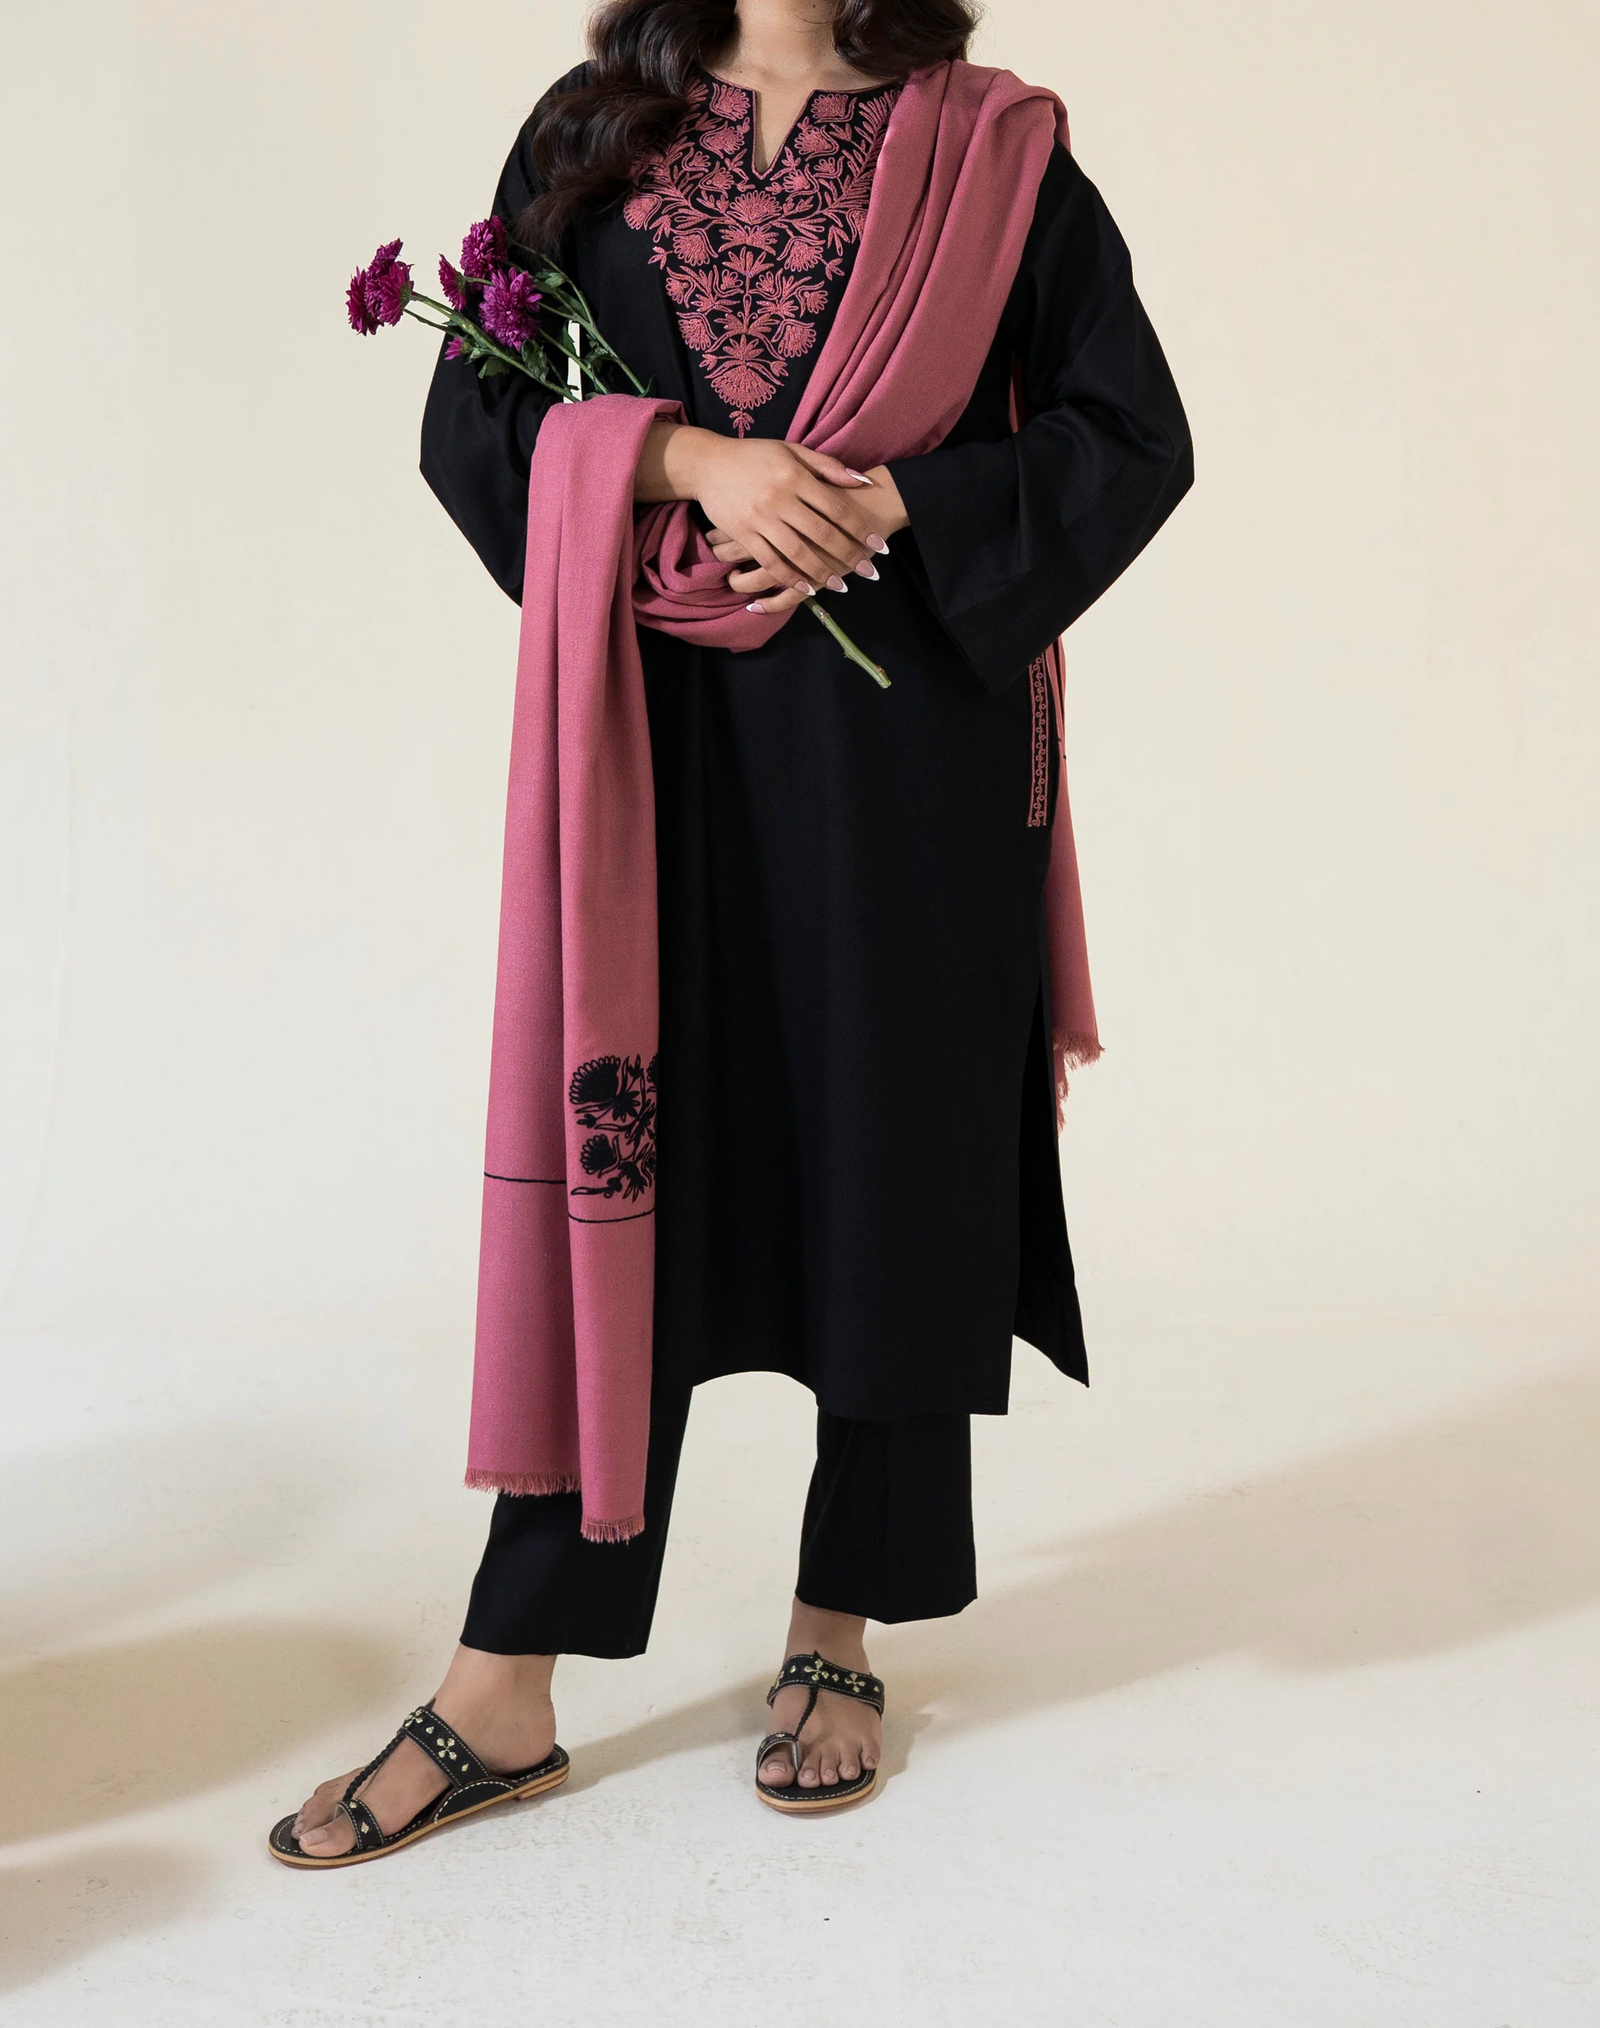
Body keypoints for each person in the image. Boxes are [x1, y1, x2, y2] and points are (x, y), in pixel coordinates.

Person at [270, 0, 1191, 1866]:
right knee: (634, 1164)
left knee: (886, 1157)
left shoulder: (991, 151)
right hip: (652, 748)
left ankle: (839, 1626)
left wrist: (887, 500)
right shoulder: (597, 126)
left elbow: (1130, 437)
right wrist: (695, 463)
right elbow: (477, 415)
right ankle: (505, 1675)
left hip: (906, 761)